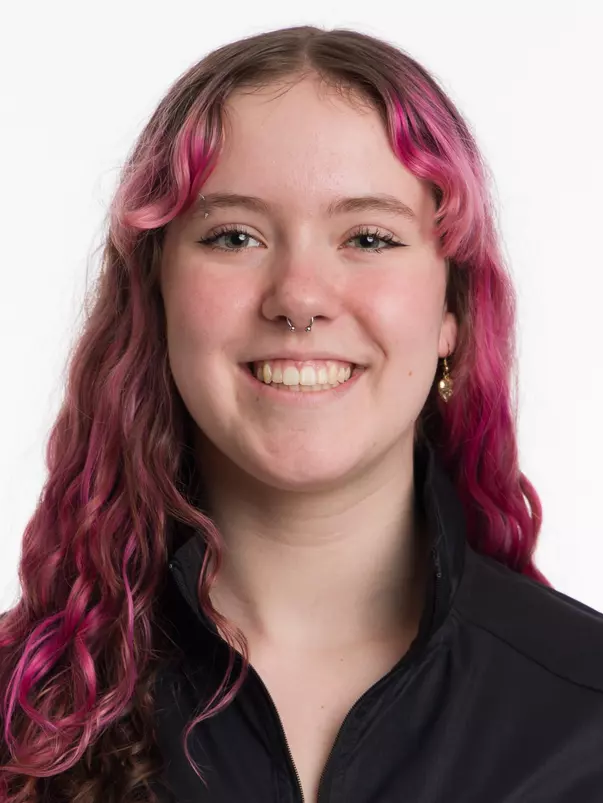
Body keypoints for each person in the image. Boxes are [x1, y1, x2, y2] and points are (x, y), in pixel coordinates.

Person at [1, 23, 603, 803]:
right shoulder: (22, 721)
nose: (299, 297)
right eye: (234, 235)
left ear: (452, 308)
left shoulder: (585, 711)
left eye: (368, 237)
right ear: (156, 297)